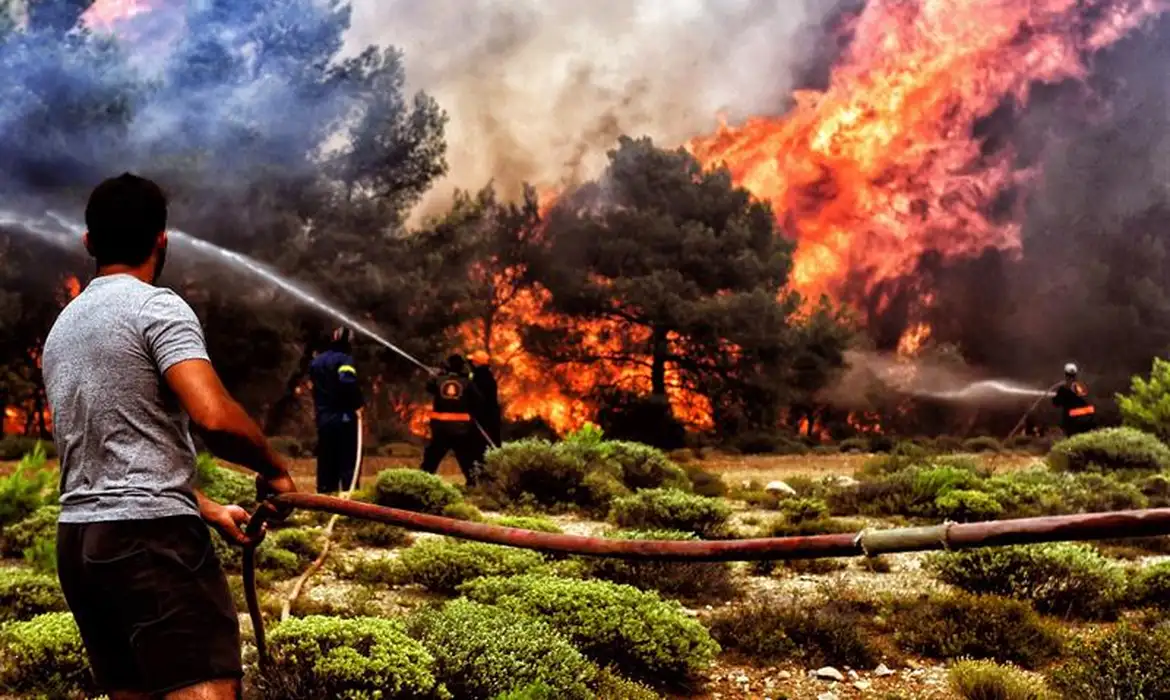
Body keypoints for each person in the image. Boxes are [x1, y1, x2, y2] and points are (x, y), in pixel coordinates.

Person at [42, 173, 298, 700]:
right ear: (163, 239)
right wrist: (273, 470)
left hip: (81, 547)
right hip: (150, 545)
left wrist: (206, 508)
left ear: (89, 242)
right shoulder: (155, 307)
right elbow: (215, 418)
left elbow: (113, 454)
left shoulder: (63, 329)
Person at [309, 328, 365, 494]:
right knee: (348, 460)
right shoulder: (345, 360)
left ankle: (325, 495)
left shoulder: (317, 361)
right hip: (344, 417)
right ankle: (349, 498)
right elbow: (346, 382)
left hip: (323, 418)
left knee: (326, 459)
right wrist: (358, 404)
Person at [420, 354, 484, 485]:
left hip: (440, 429)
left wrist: (434, 375)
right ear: (462, 367)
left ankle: (422, 482)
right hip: (461, 430)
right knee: (466, 458)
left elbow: (429, 387)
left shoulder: (438, 380)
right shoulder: (467, 383)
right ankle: (472, 484)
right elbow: (479, 401)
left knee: (432, 458)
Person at [1052, 362, 1097, 436]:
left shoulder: (1064, 389)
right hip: (1087, 420)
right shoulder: (1081, 386)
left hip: (1072, 423)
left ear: (1065, 375)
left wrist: (1056, 397)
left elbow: (1056, 403)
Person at [469, 350, 502, 448]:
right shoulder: (487, 375)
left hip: (483, 416)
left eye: (473, 361)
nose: (471, 363)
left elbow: (477, 397)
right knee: (492, 441)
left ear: (477, 363)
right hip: (491, 415)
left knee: (483, 443)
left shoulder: (480, 377)